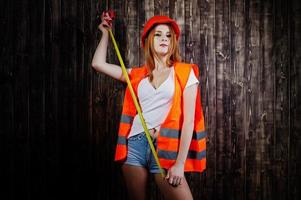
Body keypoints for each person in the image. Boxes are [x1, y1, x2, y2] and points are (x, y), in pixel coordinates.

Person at [91, 11, 206, 200]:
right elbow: (98, 64)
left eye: (169, 35)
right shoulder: (137, 75)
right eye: (158, 34)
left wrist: (179, 163)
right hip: (135, 144)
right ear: (149, 41)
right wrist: (105, 34)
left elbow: (189, 122)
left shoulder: (185, 72)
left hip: (165, 147)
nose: (164, 39)